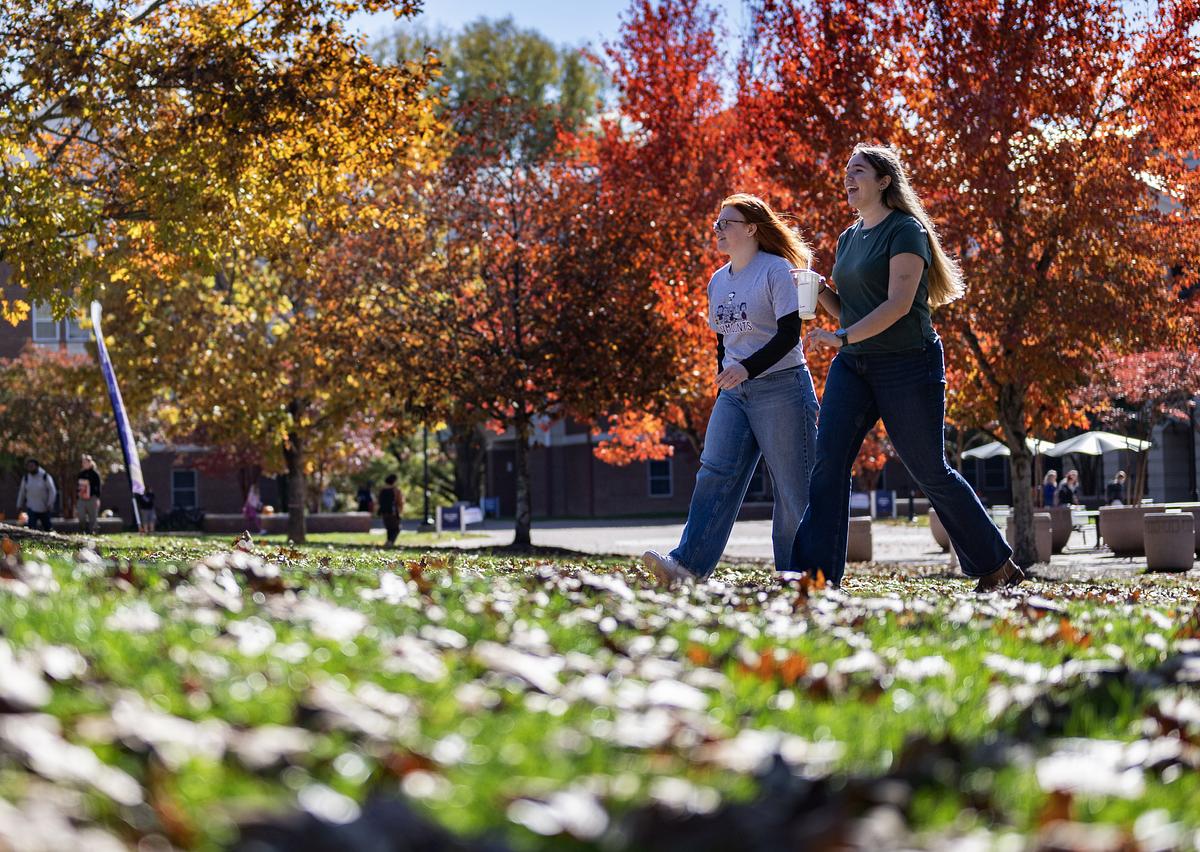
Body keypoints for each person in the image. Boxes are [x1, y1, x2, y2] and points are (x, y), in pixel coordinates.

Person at [790, 144, 1022, 591]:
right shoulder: (848, 237)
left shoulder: (906, 231)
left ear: (883, 181)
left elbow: (897, 306)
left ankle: (996, 565)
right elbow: (850, 311)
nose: (848, 177)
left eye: (858, 170)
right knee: (829, 462)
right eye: (846, 170)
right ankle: (814, 576)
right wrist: (820, 292)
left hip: (907, 365)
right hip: (854, 365)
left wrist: (841, 337)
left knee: (929, 468)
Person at [642, 193, 821, 583]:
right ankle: (686, 567)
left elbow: (790, 334)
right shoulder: (718, 281)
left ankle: (798, 576)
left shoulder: (775, 270)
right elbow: (723, 340)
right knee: (714, 473)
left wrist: (746, 368)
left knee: (793, 490)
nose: (718, 230)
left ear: (752, 229)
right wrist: (727, 376)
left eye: (727, 223)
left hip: (782, 388)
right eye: (717, 223)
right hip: (735, 393)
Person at [16, 458, 57, 532]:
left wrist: (50, 503)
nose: (30, 468)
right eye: (28, 466)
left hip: (44, 507)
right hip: (31, 507)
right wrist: (19, 504)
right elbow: (22, 492)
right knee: (31, 529)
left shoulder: (45, 476)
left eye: (32, 466)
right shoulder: (26, 478)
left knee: (48, 528)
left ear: (37, 466)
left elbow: (52, 491)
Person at [76, 454, 102, 535]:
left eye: (86, 462)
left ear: (90, 462)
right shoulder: (81, 474)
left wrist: (97, 498)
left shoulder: (95, 474)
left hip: (92, 498)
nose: (84, 464)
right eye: (83, 462)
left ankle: (93, 533)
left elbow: (98, 487)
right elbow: (77, 487)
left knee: (93, 518)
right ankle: (82, 531)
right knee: (81, 516)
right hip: (81, 499)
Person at [377, 474, 404, 547]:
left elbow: (379, 501)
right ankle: (390, 542)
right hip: (393, 512)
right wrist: (400, 511)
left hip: (384, 512)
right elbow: (400, 502)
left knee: (389, 528)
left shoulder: (382, 490)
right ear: (394, 481)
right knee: (396, 529)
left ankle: (388, 542)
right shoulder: (396, 490)